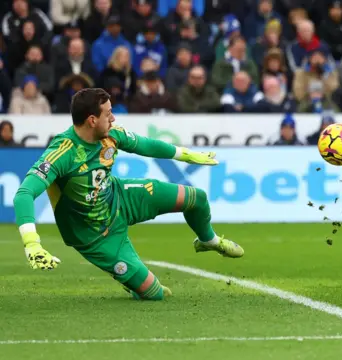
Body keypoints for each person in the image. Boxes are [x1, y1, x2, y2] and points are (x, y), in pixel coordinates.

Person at [12, 88, 244, 301]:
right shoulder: (63, 153)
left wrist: (186, 155)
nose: (113, 119)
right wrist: (32, 243)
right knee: (157, 294)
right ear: (92, 120)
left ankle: (208, 241)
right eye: (109, 114)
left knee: (197, 198)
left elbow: (146, 145)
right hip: (93, 235)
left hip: (121, 197)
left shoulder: (111, 134)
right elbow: (24, 194)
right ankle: (130, 279)